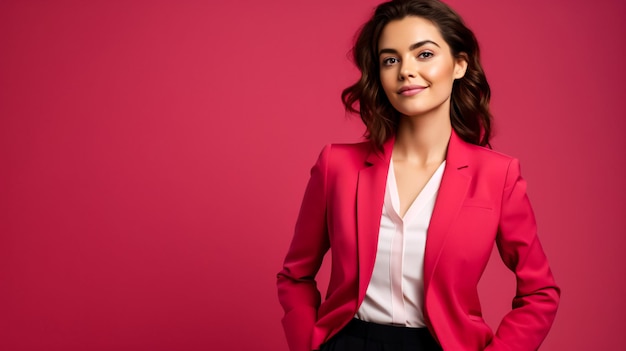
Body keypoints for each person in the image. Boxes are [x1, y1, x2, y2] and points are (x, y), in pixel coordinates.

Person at [276, 0, 560, 350]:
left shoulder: (498, 175)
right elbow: (295, 275)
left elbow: (540, 292)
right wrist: (308, 344)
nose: (405, 71)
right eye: (390, 60)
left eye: (423, 54)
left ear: (459, 64)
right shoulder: (337, 165)